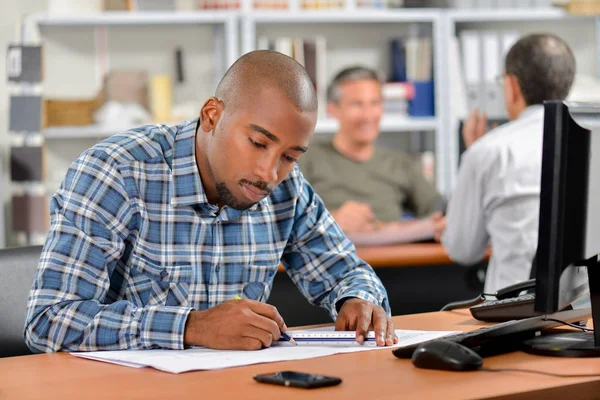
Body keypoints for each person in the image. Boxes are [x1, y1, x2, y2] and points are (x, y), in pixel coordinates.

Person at [24, 51, 397, 353]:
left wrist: (357, 300)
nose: (270, 172)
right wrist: (192, 326)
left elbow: (348, 271)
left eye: (290, 156)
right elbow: (50, 321)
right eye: (258, 143)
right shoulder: (115, 172)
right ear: (212, 116)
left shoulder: (287, 188)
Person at [434, 34, 576, 293]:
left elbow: (462, 249)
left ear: (511, 85)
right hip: (583, 307)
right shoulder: (589, 140)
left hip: (515, 314)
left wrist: (476, 156)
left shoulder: (490, 151)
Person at [298, 66, 442, 245]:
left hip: (396, 261)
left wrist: (396, 228)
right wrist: (331, 220)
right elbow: (279, 217)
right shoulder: (306, 159)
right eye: (357, 104)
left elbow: (438, 210)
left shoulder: (399, 163)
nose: (367, 116)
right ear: (333, 110)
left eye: (375, 103)